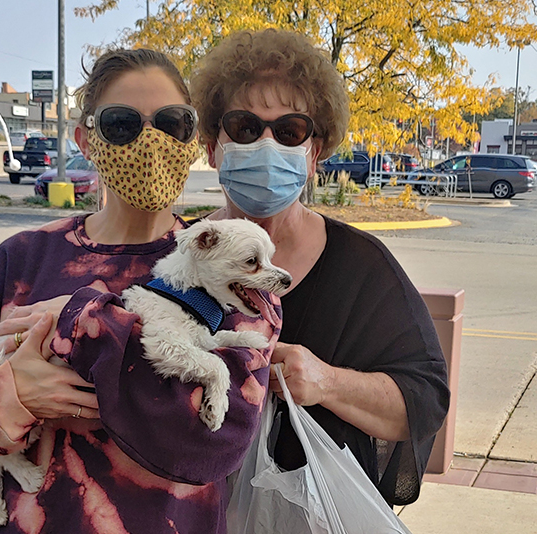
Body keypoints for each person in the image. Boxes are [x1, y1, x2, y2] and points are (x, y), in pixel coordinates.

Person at [0, 48, 282, 534]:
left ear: (192, 138)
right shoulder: (24, 258)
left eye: (172, 123)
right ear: (85, 139)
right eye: (122, 124)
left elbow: (214, 440)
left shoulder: (228, 269)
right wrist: (9, 395)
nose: (150, 142)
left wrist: (83, 321)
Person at [190, 29, 450, 506]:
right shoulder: (176, 257)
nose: (267, 145)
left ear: (314, 155)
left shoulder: (363, 270)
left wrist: (327, 382)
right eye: (245, 127)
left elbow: (423, 403)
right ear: (212, 145)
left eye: (289, 131)